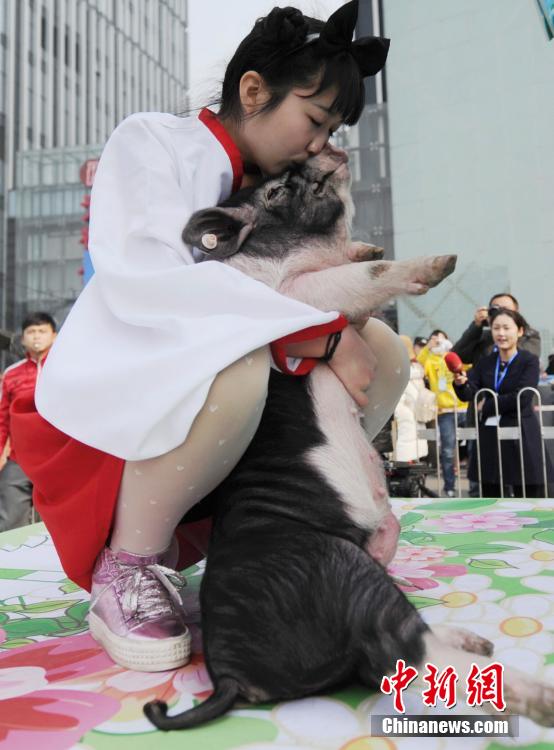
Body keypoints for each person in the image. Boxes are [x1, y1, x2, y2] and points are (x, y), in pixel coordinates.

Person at [9, 3, 406, 673]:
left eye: (333, 130)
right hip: (123, 410)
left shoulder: (290, 181)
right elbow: (153, 276)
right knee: (240, 364)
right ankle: (129, 565)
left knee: (389, 356)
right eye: (314, 120)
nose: (320, 142)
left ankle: (282, 528)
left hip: (227, 405)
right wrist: (319, 337)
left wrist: (335, 320)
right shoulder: (152, 141)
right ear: (253, 90)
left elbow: (324, 271)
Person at [453, 308, 550, 498]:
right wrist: (460, 384)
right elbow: (469, 393)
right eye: (496, 328)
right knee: (492, 493)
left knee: (528, 495)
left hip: (521, 434)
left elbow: (522, 397)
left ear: (520, 331)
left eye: (507, 328)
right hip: (491, 435)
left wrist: (487, 406)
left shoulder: (528, 361)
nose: (501, 333)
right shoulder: (486, 362)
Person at [0, 313, 57, 531]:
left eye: (42, 331)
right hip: (19, 459)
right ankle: (11, 563)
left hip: (58, 458)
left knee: (57, 522)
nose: (36, 337)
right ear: (22, 339)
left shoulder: (67, 368)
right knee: (10, 521)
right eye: (31, 332)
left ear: (54, 335)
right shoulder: (12, 373)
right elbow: (3, 419)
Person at [417, 330, 467, 497]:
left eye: (441, 338)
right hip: (445, 411)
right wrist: (428, 347)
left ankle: (475, 487)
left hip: (465, 407)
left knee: (475, 448)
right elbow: (418, 365)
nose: (438, 341)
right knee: (447, 451)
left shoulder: (455, 356)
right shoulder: (430, 360)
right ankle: (450, 487)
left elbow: (470, 366)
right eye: (434, 339)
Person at [452, 293, 541, 366]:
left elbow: (527, 359)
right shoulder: (483, 336)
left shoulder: (529, 335)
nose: (501, 314)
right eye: (496, 310)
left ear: (517, 313)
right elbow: (457, 356)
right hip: (484, 387)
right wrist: (476, 326)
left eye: (506, 310)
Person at [391, 336, 433, 462]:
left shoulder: (397, 369)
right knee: (416, 438)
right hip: (416, 410)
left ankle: (406, 461)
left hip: (404, 409)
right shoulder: (417, 368)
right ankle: (414, 461)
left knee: (406, 437)